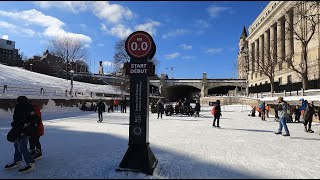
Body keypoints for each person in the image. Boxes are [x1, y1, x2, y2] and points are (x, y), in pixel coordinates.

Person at [5, 96, 36, 173]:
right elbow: (17, 118)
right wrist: (15, 124)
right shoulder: (25, 106)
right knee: (16, 144)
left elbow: (28, 119)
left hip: (24, 130)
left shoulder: (24, 107)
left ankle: (30, 163)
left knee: (22, 146)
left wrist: (21, 125)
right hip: (20, 129)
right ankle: (17, 160)